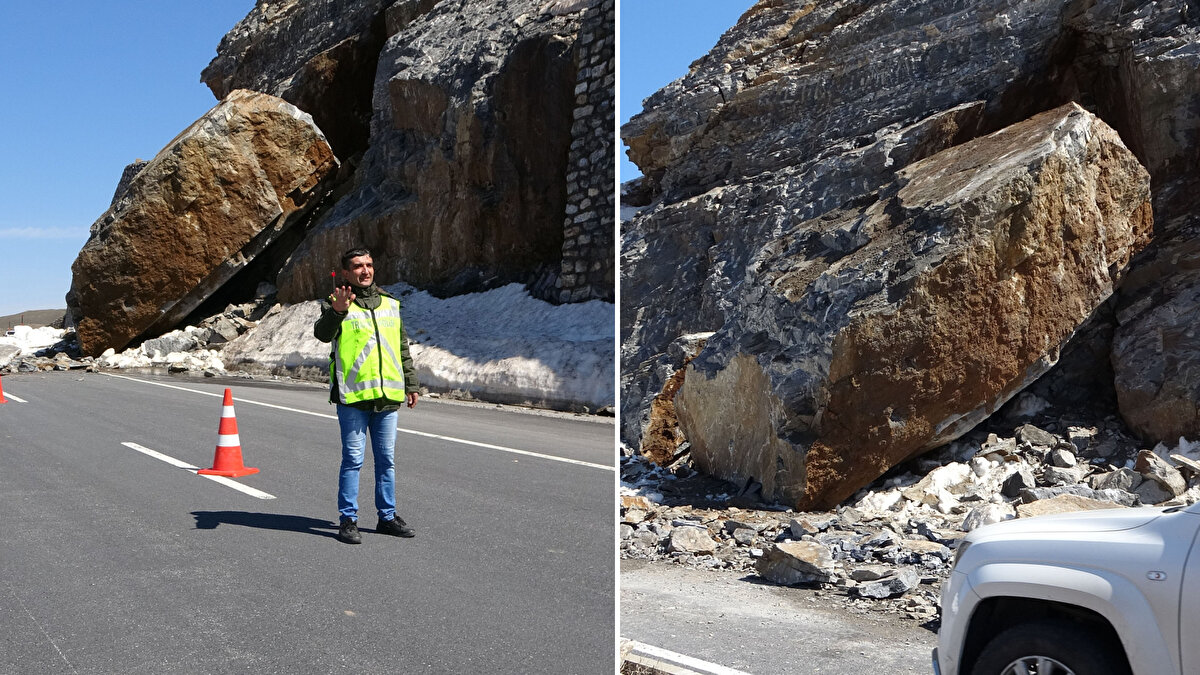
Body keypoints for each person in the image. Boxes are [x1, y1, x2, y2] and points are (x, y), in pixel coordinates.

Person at [314, 247, 420, 544]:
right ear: (346, 273)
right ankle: (348, 519)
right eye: (358, 266)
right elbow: (322, 334)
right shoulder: (336, 304)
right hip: (354, 399)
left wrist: (411, 384)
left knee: (386, 460)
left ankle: (387, 517)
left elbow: (402, 350)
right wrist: (337, 311)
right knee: (353, 460)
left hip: (387, 398)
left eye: (369, 265)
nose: (365, 270)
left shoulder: (390, 304)